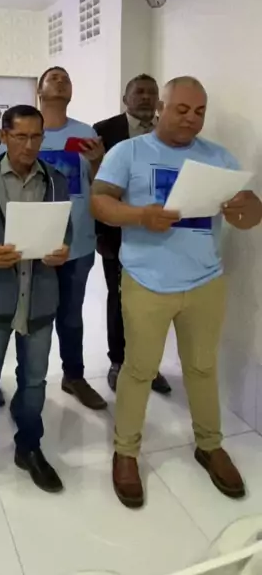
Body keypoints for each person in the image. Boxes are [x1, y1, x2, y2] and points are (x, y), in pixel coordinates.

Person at [91, 77, 262, 509]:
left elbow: (249, 215)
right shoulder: (128, 152)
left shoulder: (218, 157)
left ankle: (209, 445)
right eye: (182, 109)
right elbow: (100, 202)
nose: (191, 119)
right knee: (139, 370)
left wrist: (247, 209)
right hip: (146, 281)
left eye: (199, 112)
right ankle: (126, 452)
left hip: (205, 282)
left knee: (202, 368)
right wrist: (140, 216)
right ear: (161, 108)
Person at [0, 105, 71, 505]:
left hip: (40, 298)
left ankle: (29, 448)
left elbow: (67, 230)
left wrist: (62, 250)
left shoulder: (55, 180)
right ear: (3, 136)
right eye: (20, 136)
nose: (29, 145)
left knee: (35, 381)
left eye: (36, 137)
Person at [93, 75, 170, 395]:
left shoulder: (168, 131)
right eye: (139, 92)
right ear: (126, 98)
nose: (146, 97)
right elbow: (96, 184)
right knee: (120, 299)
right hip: (116, 232)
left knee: (154, 303)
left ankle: (149, 365)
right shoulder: (103, 130)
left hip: (159, 233)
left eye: (152, 92)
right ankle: (118, 361)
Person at [36, 67, 106, 410]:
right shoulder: (24, 130)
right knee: (33, 317)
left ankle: (74, 376)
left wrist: (97, 161)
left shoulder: (85, 133)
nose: (61, 81)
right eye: (53, 77)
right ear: (39, 90)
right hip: (33, 245)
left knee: (71, 315)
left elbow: (101, 184)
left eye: (66, 78)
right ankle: (29, 382)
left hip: (77, 244)